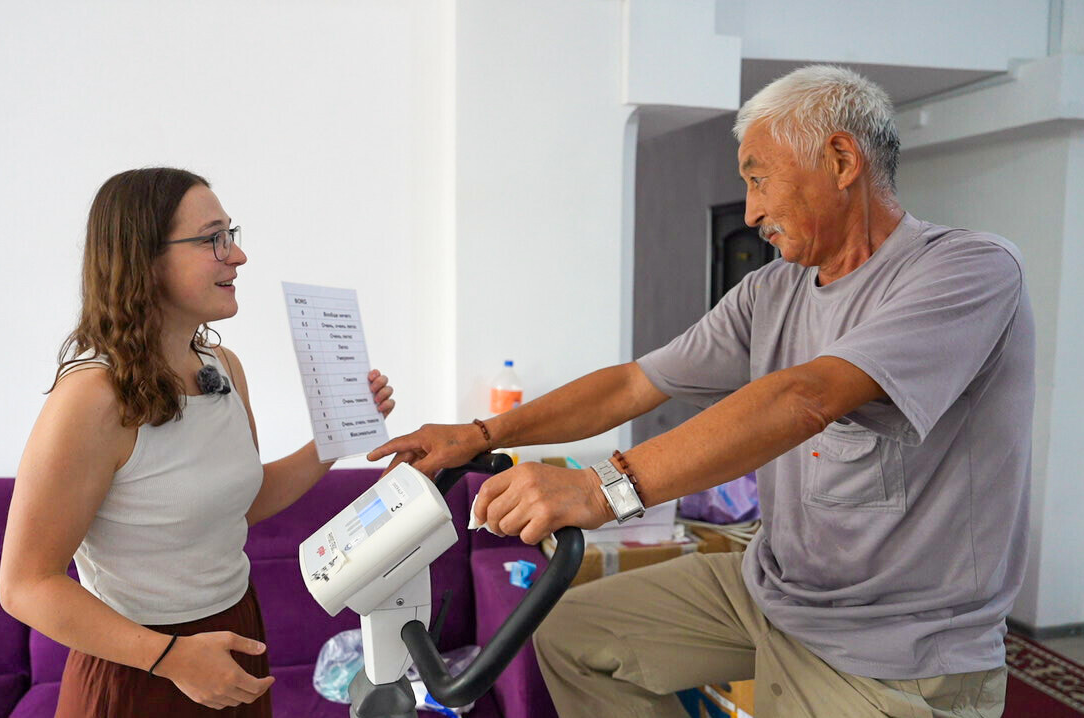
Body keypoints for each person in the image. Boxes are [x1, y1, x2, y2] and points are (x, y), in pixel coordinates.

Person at [369, 65, 1033, 717]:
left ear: (840, 160)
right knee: (571, 635)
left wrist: (602, 489)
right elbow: (635, 383)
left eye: (758, 179)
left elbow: (805, 398)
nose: (751, 211)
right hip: (774, 591)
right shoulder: (771, 290)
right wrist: (479, 434)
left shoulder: (968, 269)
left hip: (892, 647)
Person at [0, 167, 396, 717]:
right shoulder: (90, 397)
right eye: (214, 239)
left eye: (231, 235)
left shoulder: (223, 366)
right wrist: (171, 658)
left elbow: (244, 501)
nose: (238, 256)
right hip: (140, 665)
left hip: (235, 635)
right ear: (144, 259)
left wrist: (337, 435)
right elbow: (25, 585)